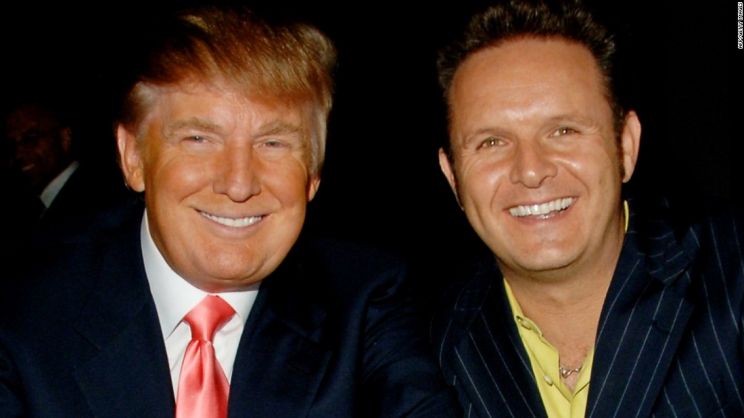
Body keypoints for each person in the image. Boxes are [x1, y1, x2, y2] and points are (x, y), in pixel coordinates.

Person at [0, 6, 459, 418]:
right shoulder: (26, 312)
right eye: (200, 139)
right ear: (133, 157)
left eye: (273, 143)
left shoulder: (365, 302)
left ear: (313, 175)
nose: (239, 183)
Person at [430, 0, 744, 417]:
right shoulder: (423, 346)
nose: (531, 170)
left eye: (563, 131)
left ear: (625, 147)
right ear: (452, 176)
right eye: (491, 142)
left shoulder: (732, 275)